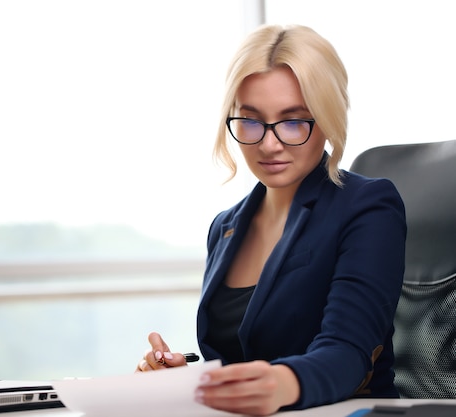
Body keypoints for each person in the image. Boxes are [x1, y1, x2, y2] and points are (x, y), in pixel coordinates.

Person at [135, 24, 406, 416]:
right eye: (251, 120)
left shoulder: (367, 206)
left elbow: (348, 353)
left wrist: (281, 383)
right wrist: (187, 382)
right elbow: (235, 359)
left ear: (328, 118)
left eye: (294, 121)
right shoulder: (225, 227)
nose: (268, 143)